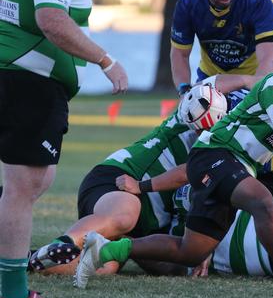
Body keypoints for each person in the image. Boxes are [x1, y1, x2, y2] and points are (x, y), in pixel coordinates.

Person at [75, 36, 273, 298]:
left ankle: (107, 249)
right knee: (263, 201)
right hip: (215, 153)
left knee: (190, 252)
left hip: (237, 168)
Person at [0, 0, 128, 298]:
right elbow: (51, 18)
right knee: (24, 186)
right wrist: (106, 61)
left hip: (12, 78)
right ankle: (12, 293)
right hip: (28, 84)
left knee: (28, 184)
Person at [26, 86, 235, 276]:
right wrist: (248, 78)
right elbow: (189, 171)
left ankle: (28, 261)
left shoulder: (220, 149)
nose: (201, 132)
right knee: (126, 214)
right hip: (118, 181)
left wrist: (201, 248)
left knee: (106, 268)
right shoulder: (185, 117)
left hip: (143, 224)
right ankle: (61, 245)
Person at [170, 0, 273, 96]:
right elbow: (179, 53)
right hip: (209, 80)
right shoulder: (189, 2)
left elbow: (268, 57)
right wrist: (184, 91)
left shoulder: (257, 1)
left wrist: (258, 92)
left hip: (250, 81)